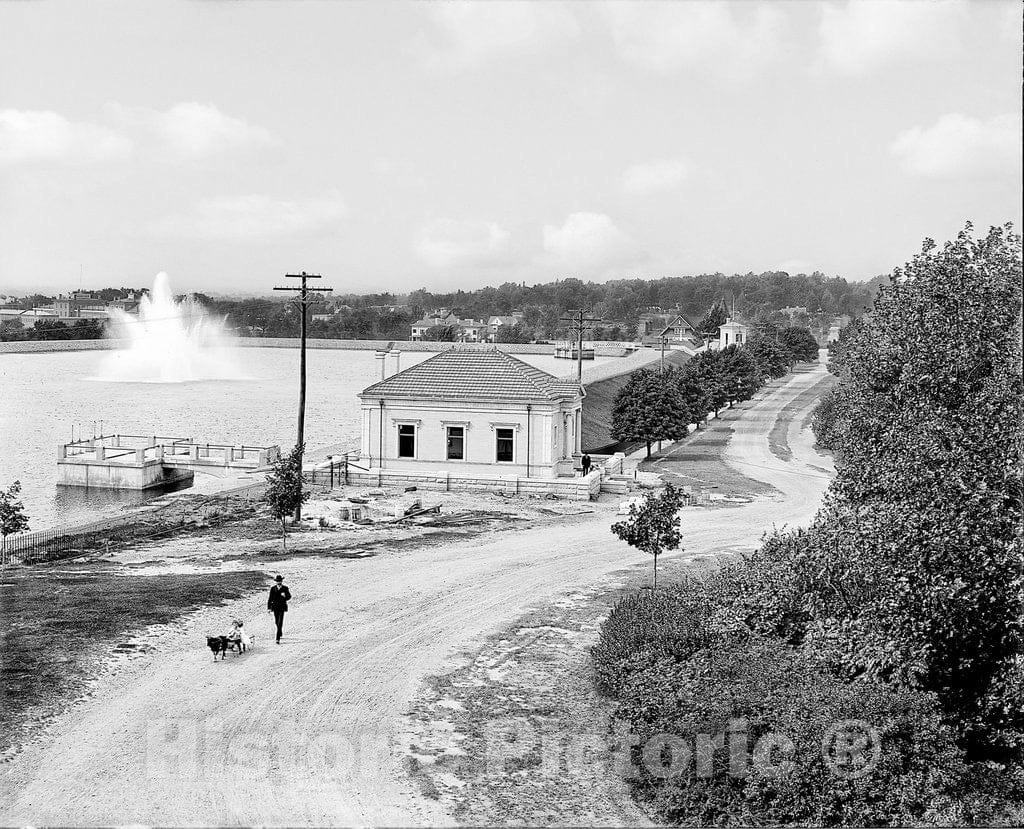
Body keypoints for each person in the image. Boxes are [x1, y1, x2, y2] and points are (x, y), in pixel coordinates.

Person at [267, 575, 291, 644]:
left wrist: (285, 596)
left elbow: (289, 596)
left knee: (280, 622)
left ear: (281, 581)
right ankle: (280, 631)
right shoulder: (273, 588)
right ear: (276, 582)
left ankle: (277, 638)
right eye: (277, 581)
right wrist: (268, 608)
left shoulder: (285, 588)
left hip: (282, 607)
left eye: (280, 581)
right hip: (274, 607)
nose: (279, 582)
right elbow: (270, 599)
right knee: (276, 622)